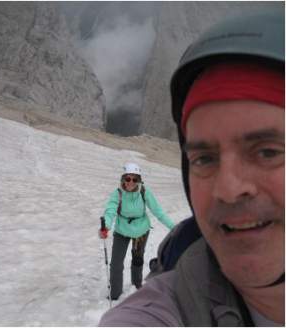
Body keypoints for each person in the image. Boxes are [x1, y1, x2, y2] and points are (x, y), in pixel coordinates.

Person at [100, 11, 284, 326]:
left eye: (267, 152)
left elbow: (154, 208)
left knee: (135, 264)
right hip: (125, 232)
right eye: (204, 158)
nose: (227, 189)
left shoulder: (142, 194)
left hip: (139, 232)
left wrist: (166, 223)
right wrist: (106, 222)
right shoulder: (158, 313)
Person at [100, 162, 175, 300]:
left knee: (137, 259)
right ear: (123, 178)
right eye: (128, 178)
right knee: (116, 263)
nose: (131, 182)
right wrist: (106, 226)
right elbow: (110, 210)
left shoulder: (144, 192)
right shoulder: (118, 193)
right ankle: (115, 294)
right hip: (122, 230)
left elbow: (158, 212)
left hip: (141, 231)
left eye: (135, 179)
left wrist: (174, 228)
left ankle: (137, 286)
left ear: (139, 180)